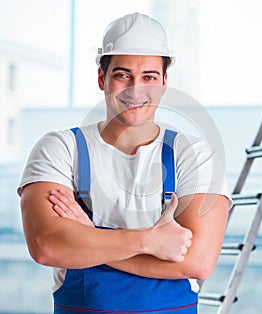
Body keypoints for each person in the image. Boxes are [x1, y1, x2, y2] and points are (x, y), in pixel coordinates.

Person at [18, 13, 232, 314]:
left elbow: (197, 261)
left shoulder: (193, 154)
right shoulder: (60, 149)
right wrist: (151, 241)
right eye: (122, 75)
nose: (135, 89)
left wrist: (91, 237)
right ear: (102, 78)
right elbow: (47, 246)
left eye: (149, 77)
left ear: (164, 83)